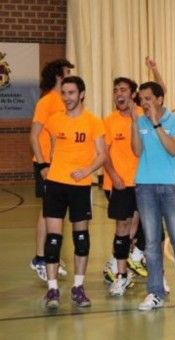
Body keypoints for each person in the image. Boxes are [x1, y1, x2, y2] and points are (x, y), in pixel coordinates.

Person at [42, 76, 106, 309]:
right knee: (53, 240)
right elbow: (47, 144)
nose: (67, 97)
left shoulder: (93, 121)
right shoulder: (55, 120)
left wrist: (86, 170)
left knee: (81, 239)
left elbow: (102, 154)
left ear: (81, 94)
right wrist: (46, 166)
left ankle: (78, 288)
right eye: (64, 93)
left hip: (80, 187)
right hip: (56, 185)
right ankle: (52, 290)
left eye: (71, 93)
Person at [132, 81, 175, 311]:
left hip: (172, 187)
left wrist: (156, 123)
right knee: (151, 243)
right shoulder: (140, 120)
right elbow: (137, 151)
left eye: (148, 98)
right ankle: (155, 292)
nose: (144, 103)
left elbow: (172, 148)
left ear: (159, 99)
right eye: (141, 99)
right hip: (145, 186)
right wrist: (135, 124)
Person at [29, 58, 74, 281]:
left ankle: (50, 255)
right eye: (67, 71)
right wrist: (43, 164)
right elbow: (34, 136)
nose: (69, 74)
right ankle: (39, 258)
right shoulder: (47, 101)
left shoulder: (64, 101)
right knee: (47, 210)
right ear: (59, 75)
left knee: (56, 212)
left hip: (61, 165)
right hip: (47, 164)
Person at [102, 77, 143, 296]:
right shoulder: (109, 121)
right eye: (115, 90)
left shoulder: (144, 118)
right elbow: (104, 153)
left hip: (142, 183)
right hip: (119, 184)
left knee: (135, 229)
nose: (119, 93)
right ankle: (120, 275)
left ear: (133, 94)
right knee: (123, 227)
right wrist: (114, 175)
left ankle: (118, 265)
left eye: (123, 89)